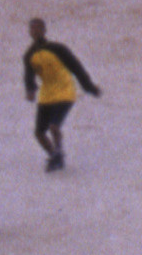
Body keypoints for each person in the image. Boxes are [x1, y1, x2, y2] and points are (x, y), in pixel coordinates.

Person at [20, 18, 100, 172]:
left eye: (39, 28)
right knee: (39, 133)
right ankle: (54, 156)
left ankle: (59, 151)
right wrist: (30, 89)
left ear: (45, 30)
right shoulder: (29, 55)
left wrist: (89, 87)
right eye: (33, 29)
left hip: (65, 91)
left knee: (54, 126)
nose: (35, 31)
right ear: (29, 32)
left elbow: (76, 67)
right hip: (47, 95)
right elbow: (28, 76)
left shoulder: (57, 48)